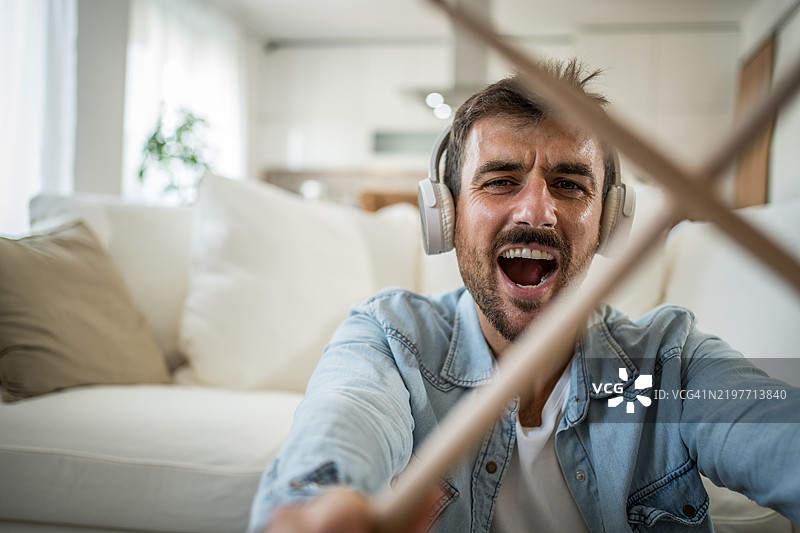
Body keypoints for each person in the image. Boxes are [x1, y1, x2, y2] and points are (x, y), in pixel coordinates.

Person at [248, 59, 800, 533]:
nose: (536, 211)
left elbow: (773, 427)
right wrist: (313, 507)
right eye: (499, 180)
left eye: (569, 183)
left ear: (609, 223)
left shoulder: (668, 364)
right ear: (446, 217)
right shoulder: (391, 343)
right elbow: (342, 419)